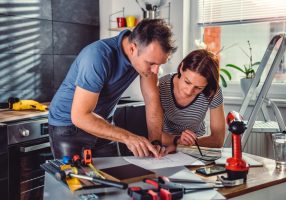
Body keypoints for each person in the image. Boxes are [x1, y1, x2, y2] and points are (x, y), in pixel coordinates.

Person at [48, 19, 177, 159]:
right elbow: (80, 116)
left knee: (115, 177)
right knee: (78, 180)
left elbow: (152, 100)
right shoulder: (98, 56)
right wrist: (128, 137)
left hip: (102, 122)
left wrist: (155, 142)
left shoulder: (146, 58)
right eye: (151, 63)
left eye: (159, 64)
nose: (155, 70)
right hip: (69, 125)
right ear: (133, 48)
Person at [159, 49, 225, 150]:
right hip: (167, 145)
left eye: (198, 87)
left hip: (198, 147)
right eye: (187, 82)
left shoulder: (213, 91)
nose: (189, 91)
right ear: (181, 68)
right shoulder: (161, 87)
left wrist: (191, 143)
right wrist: (178, 140)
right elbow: (153, 134)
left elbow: (218, 140)